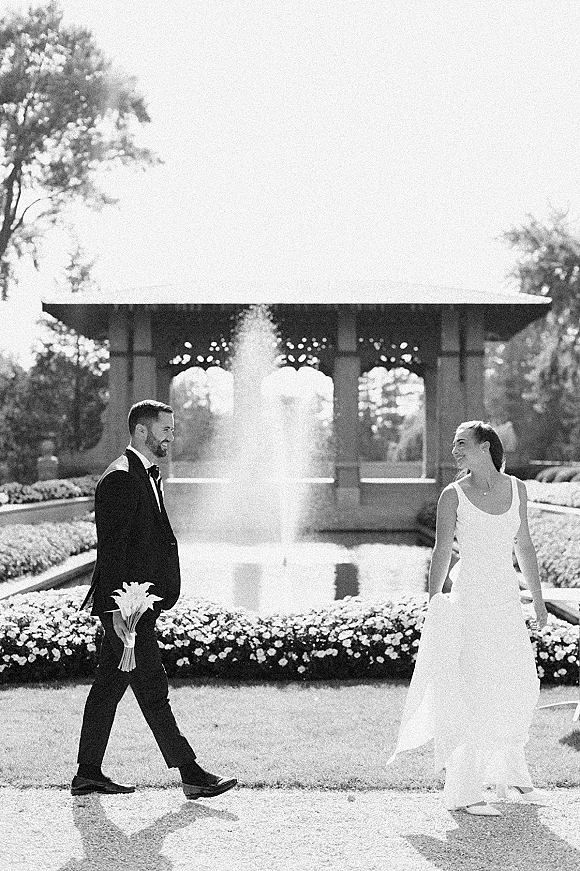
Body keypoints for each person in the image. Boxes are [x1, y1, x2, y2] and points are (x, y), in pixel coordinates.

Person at [72, 400, 237, 799]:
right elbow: (112, 550)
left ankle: (88, 773)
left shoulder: (144, 473)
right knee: (152, 687)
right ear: (142, 431)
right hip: (127, 608)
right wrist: (115, 610)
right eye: (166, 429)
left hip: (138, 603)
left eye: (172, 430)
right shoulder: (121, 477)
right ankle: (192, 774)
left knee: (109, 686)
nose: (171, 437)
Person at [388, 420, 548, 816]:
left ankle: (511, 774)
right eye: (454, 444)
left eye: (462, 443)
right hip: (470, 598)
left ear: (486, 447)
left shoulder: (517, 488)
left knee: (517, 682)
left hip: (506, 600)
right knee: (473, 688)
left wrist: (538, 600)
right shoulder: (453, 494)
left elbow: (524, 546)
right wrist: (434, 601)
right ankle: (464, 790)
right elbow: (442, 549)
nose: (455, 450)